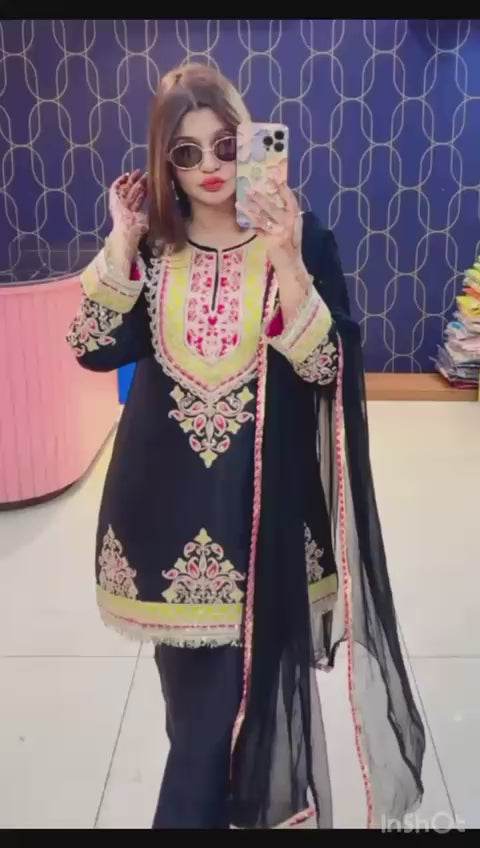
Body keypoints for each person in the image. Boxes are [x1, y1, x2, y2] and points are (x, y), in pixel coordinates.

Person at [66, 62, 425, 830]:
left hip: (261, 528)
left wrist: (288, 257)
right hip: (162, 530)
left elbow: (326, 369)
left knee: (211, 731)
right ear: (164, 163)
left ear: (252, 141)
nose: (209, 166)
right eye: (185, 152)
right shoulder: (154, 248)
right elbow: (92, 345)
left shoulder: (303, 237)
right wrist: (122, 237)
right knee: (196, 725)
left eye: (225, 145)